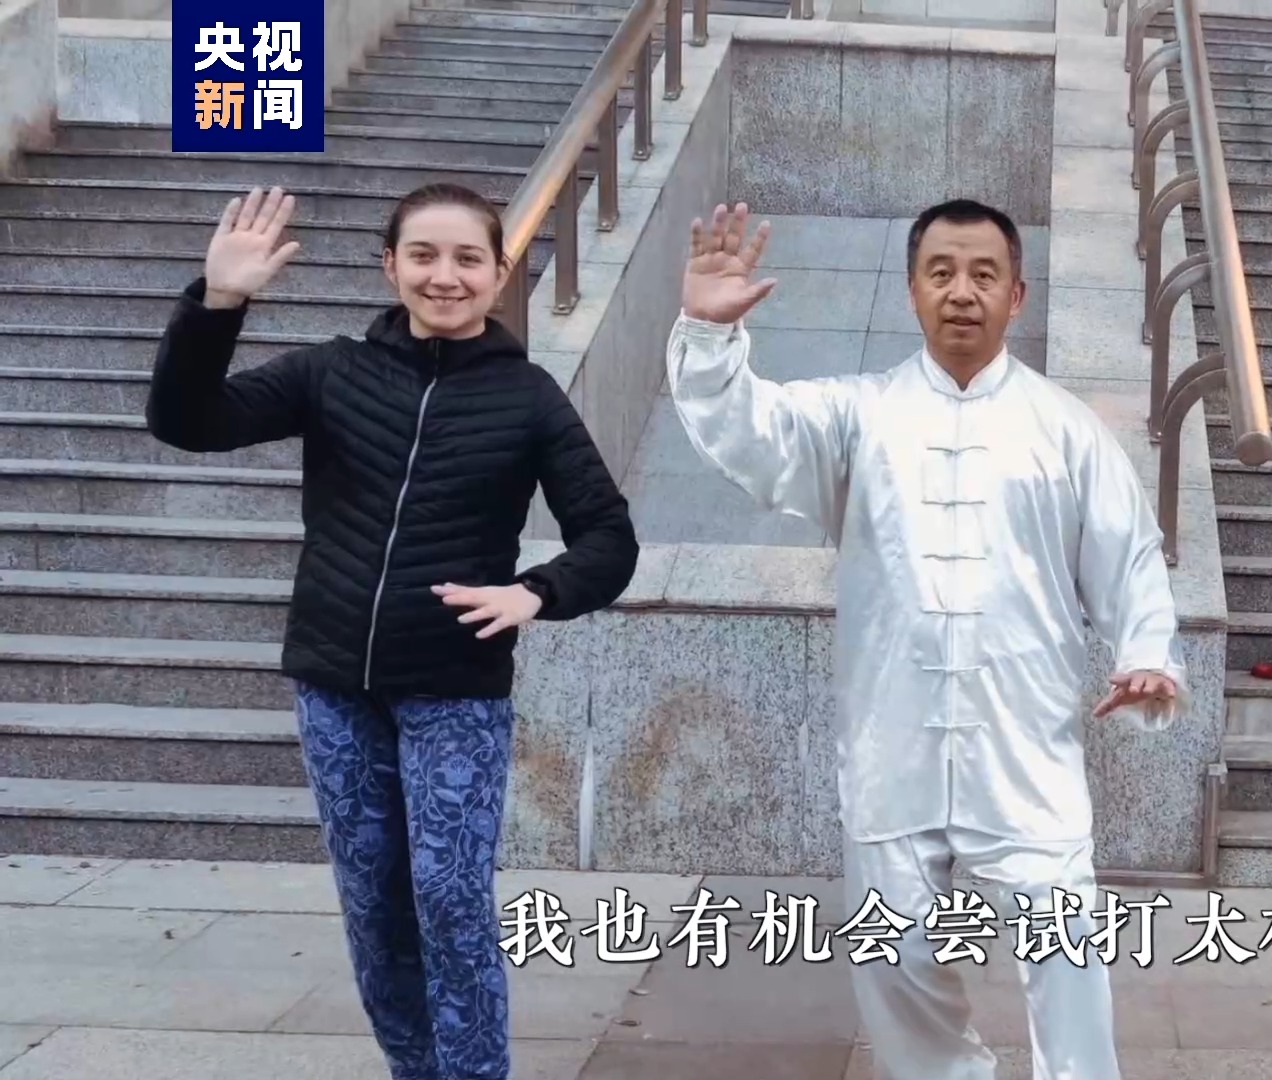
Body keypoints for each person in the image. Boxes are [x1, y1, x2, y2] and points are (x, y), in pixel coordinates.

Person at [665, 198, 1186, 1079]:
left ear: (1017, 295)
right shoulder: (856, 415)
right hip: (892, 742)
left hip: (1024, 744)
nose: (961, 292)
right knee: (893, 951)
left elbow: (1129, 554)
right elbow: (757, 435)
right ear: (911, 291)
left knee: (1064, 945)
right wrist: (710, 338)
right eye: (940, 272)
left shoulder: (1067, 430)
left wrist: (1145, 657)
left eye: (984, 274)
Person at [145, 183, 640, 1080]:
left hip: (455, 693)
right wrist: (217, 303)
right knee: (375, 911)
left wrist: (536, 592)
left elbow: (608, 537)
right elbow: (187, 422)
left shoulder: (528, 398)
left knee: (449, 900)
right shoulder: (331, 373)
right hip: (336, 689)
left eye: (467, 259)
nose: (445, 276)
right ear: (390, 266)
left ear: (498, 275)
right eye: (423, 255)